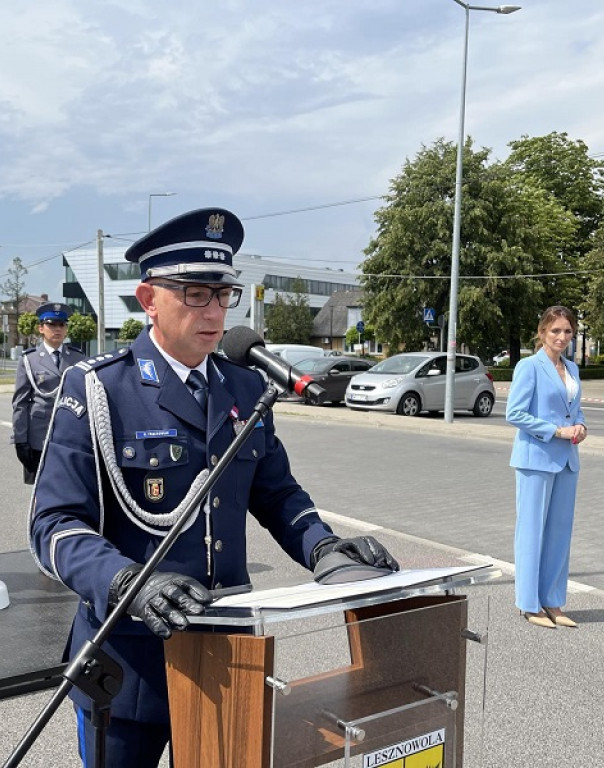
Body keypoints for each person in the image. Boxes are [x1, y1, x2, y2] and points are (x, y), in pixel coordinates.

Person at [29, 208, 399, 767]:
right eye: (196, 294)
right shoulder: (100, 389)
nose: (216, 312)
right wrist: (128, 582)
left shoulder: (246, 387)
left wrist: (325, 548)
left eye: (224, 296)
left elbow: (277, 495)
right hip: (131, 659)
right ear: (149, 298)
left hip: (228, 655)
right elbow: (54, 525)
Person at [506, 305, 587, 629]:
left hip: (567, 461)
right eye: (555, 331)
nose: (562, 337)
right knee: (531, 533)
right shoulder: (529, 367)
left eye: (567, 331)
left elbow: (575, 411)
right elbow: (515, 413)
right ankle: (529, 604)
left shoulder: (573, 369)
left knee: (559, 534)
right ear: (542, 333)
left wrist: (580, 427)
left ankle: (553, 601)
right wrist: (555, 431)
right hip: (535, 460)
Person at [11, 302, 86, 484]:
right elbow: (20, 403)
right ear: (41, 328)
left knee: (71, 488)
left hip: (71, 436)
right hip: (39, 438)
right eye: (52, 324)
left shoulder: (78, 357)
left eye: (62, 325)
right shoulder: (30, 360)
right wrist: (20, 440)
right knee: (41, 491)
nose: (57, 329)